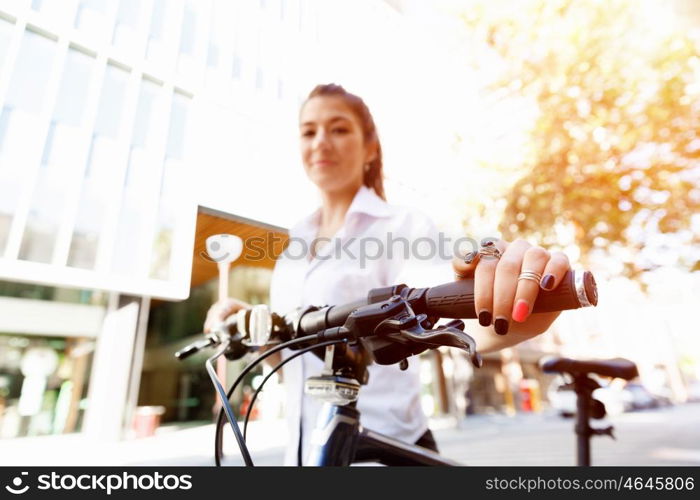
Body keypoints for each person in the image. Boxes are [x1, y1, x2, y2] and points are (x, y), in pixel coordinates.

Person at [204, 83, 570, 465]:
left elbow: (444, 305)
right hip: (308, 453)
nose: (321, 142)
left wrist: (516, 302)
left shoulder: (401, 227)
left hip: (385, 451)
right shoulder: (296, 238)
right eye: (309, 131)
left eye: (339, 128)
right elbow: (289, 356)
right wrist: (255, 324)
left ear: (370, 146)